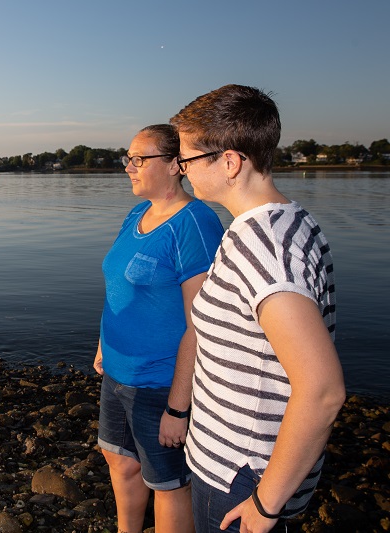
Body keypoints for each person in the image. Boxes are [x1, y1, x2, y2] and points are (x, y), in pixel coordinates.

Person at [170, 84, 345, 533]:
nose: (180, 169)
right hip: (235, 466)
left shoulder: (264, 249)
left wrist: (265, 506)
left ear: (229, 161)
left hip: (241, 479)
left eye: (186, 159)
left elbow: (323, 389)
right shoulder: (287, 222)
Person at [94, 124, 224, 532]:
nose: (128, 168)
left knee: (169, 485)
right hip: (117, 372)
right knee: (120, 459)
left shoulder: (195, 223)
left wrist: (178, 407)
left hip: (160, 383)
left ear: (174, 165)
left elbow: (202, 321)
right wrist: (102, 345)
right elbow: (117, 285)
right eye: (126, 158)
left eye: (138, 159)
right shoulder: (137, 213)